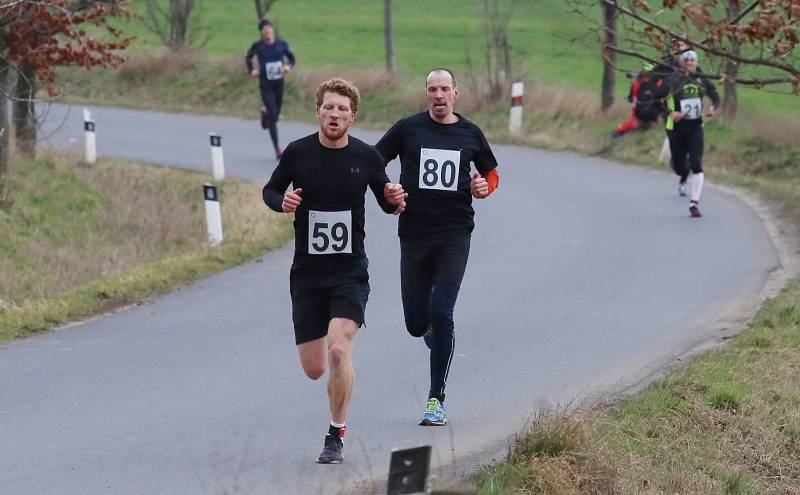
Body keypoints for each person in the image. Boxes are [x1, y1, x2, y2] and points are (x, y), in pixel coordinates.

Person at [262, 78, 407, 463]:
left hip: (349, 271)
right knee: (314, 368)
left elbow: (387, 201)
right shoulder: (297, 153)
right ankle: (334, 387)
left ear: (352, 116)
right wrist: (284, 201)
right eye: (329, 107)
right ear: (318, 111)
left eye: (342, 109)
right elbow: (270, 191)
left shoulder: (366, 157)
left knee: (339, 351)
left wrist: (394, 199)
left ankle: (335, 434)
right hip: (307, 274)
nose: (335, 114)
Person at [375, 68, 499, 426]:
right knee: (416, 323)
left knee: (443, 312)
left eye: (445, 88)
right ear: (426, 94)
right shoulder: (408, 128)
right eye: (433, 89)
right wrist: (387, 190)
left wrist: (484, 189)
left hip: (454, 233)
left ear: (456, 93)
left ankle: (436, 399)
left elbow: (491, 172)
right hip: (414, 233)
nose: (439, 95)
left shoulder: (470, 133)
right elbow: (374, 161)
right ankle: (429, 329)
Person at [661, 50, 720, 217]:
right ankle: (681, 171)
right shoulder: (673, 80)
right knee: (680, 167)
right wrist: (671, 113)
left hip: (695, 126)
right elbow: (661, 100)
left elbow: (716, 97)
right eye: (687, 61)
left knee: (696, 163)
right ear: (681, 63)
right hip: (676, 127)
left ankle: (694, 203)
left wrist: (712, 108)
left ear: (696, 63)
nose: (690, 64)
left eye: (693, 61)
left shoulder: (702, 79)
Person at [246, 19, 296, 159]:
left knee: (276, 114)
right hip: (265, 84)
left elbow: (292, 59)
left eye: (268, 29)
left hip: (279, 84)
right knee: (273, 117)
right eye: (263, 30)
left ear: (272, 30)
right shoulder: (258, 46)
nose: (267, 32)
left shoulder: (281, 44)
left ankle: (265, 113)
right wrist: (252, 70)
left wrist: (288, 67)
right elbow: (248, 58)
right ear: (261, 33)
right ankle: (277, 149)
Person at [611, 62, 665, 138]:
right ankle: (619, 132)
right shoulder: (638, 85)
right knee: (633, 124)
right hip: (642, 112)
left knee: (641, 126)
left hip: (652, 113)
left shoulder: (658, 83)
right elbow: (633, 99)